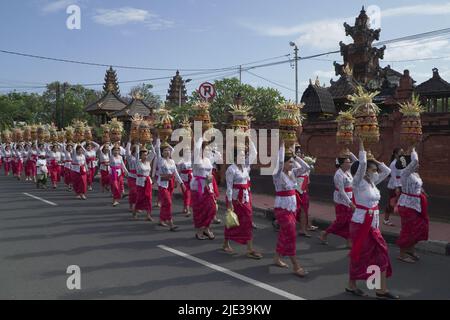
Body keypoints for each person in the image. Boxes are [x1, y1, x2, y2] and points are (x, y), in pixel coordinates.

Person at [346, 138, 398, 299]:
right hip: (361, 223)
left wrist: (373, 159)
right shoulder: (357, 182)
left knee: (381, 254)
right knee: (361, 255)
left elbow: (387, 171)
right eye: (372, 167)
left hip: (373, 223)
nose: (375, 169)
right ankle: (351, 285)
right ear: (365, 169)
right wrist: (362, 145)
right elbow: (361, 165)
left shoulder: (372, 182)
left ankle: (379, 289)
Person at [272, 142, 308, 277]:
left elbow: (306, 167)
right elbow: (280, 162)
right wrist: (281, 144)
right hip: (282, 208)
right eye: (290, 162)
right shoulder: (277, 174)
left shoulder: (293, 173)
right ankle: (295, 265)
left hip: (292, 206)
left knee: (285, 233)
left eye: (292, 163)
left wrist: (295, 156)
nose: (291, 165)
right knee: (291, 234)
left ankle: (277, 257)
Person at [223, 140, 262, 259]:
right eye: (240, 154)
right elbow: (229, 187)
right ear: (235, 157)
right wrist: (230, 203)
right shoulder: (231, 169)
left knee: (247, 221)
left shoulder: (246, 167)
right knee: (233, 221)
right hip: (235, 199)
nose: (244, 156)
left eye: (244, 154)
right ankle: (226, 243)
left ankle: (249, 249)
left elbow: (254, 153)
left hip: (245, 197)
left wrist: (248, 137)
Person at [396, 148, 429, 263]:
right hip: (407, 205)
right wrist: (413, 147)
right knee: (408, 229)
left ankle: (410, 249)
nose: (418, 164)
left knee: (419, 227)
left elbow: (418, 186)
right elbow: (414, 161)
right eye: (416, 163)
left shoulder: (415, 173)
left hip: (417, 204)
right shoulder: (405, 172)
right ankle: (402, 254)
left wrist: (422, 192)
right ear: (410, 163)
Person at [319, 151, 358, 246]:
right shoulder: (338, 174)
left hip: (350, 197)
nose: (349, 164)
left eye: (349, 162)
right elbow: (341, 191)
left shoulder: (348, 171)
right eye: (347, 162)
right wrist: (350, 203)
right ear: (341, 164)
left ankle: (349, 240)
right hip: (341, 200)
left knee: (350, 220)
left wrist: (350, 153)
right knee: (341, 221)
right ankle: (325, 233)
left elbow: (357, 162)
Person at [191, 137, 218, 240]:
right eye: (203, 148)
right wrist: (201, 137)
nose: (205, 150)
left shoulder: (207, 160)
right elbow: (197, 148)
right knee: (199, 209)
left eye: (206, 148)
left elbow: (210, 173)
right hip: (198, 187)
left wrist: (210, 180)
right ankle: (199, 231)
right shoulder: (196, 160)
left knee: (212, 208)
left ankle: (207, 227)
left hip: (207, 186)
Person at [156, 138, 185, 231]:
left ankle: (161, 219)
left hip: (170, 183)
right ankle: (170, 222)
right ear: (162, 152)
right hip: (162, 184)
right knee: (168, 202)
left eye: (168, 150)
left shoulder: (172, 161)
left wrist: (181, 183)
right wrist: (159, 137)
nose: (167, 152)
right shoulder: (160, 160)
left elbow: (176, 173)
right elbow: (156, 149)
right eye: (165, 150)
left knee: (165, 203)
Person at [292, 146, 317, 237]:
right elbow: (305, 168)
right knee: (292, 210)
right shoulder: (293, 163)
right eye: (297, 152)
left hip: (304, 190)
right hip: (296, 190)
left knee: (304, 210)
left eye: (300, 152)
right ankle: (280, 222)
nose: (299, 154)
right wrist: (295, 157)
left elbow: (307, 172)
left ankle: (303, 229)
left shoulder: (302, 162)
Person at [133, 143, 156, 221]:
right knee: (140, 198)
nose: (145, 156)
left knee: (149, 198)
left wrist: (150, 143)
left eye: (146, 155)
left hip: (148, 182)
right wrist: (138, 146)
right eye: (144, 155)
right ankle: (135, 212)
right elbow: (136, 154)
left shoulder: (148, 162)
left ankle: (148, 215)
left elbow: (154, 153)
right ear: (140, 155)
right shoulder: (137, 162)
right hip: (140, 183)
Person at [384, 148, 404, 226]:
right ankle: (386, 220)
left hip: (401, 185)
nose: (402, 154)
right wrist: (397, 187)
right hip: (394, 186)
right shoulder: (393, 164)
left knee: (402, 203)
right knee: (391, 203)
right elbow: (394, 176)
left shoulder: (402, 163)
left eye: (403, 153)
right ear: (396, 154)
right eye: (400, 153)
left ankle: (404, 221)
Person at [177, 147, 193, 217]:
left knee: (188, 194)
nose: (188, 153)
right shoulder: (181, 161)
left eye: (189, 152)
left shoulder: (192, 160)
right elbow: (178, 171)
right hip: (184, 179)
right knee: (186, 193)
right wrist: (179, 181)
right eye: (186, 152)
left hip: (191, 179)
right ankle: (187, 209)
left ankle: (185, 207)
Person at [126, 141, 138, 212]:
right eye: (135, 149)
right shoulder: (130, 157)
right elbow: (127, 151)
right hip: (131, 177)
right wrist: (129, 142)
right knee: (133, 191)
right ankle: (131, 205)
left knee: (138, 193)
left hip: (139, 178)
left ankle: (136, 206)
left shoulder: (140, 158)